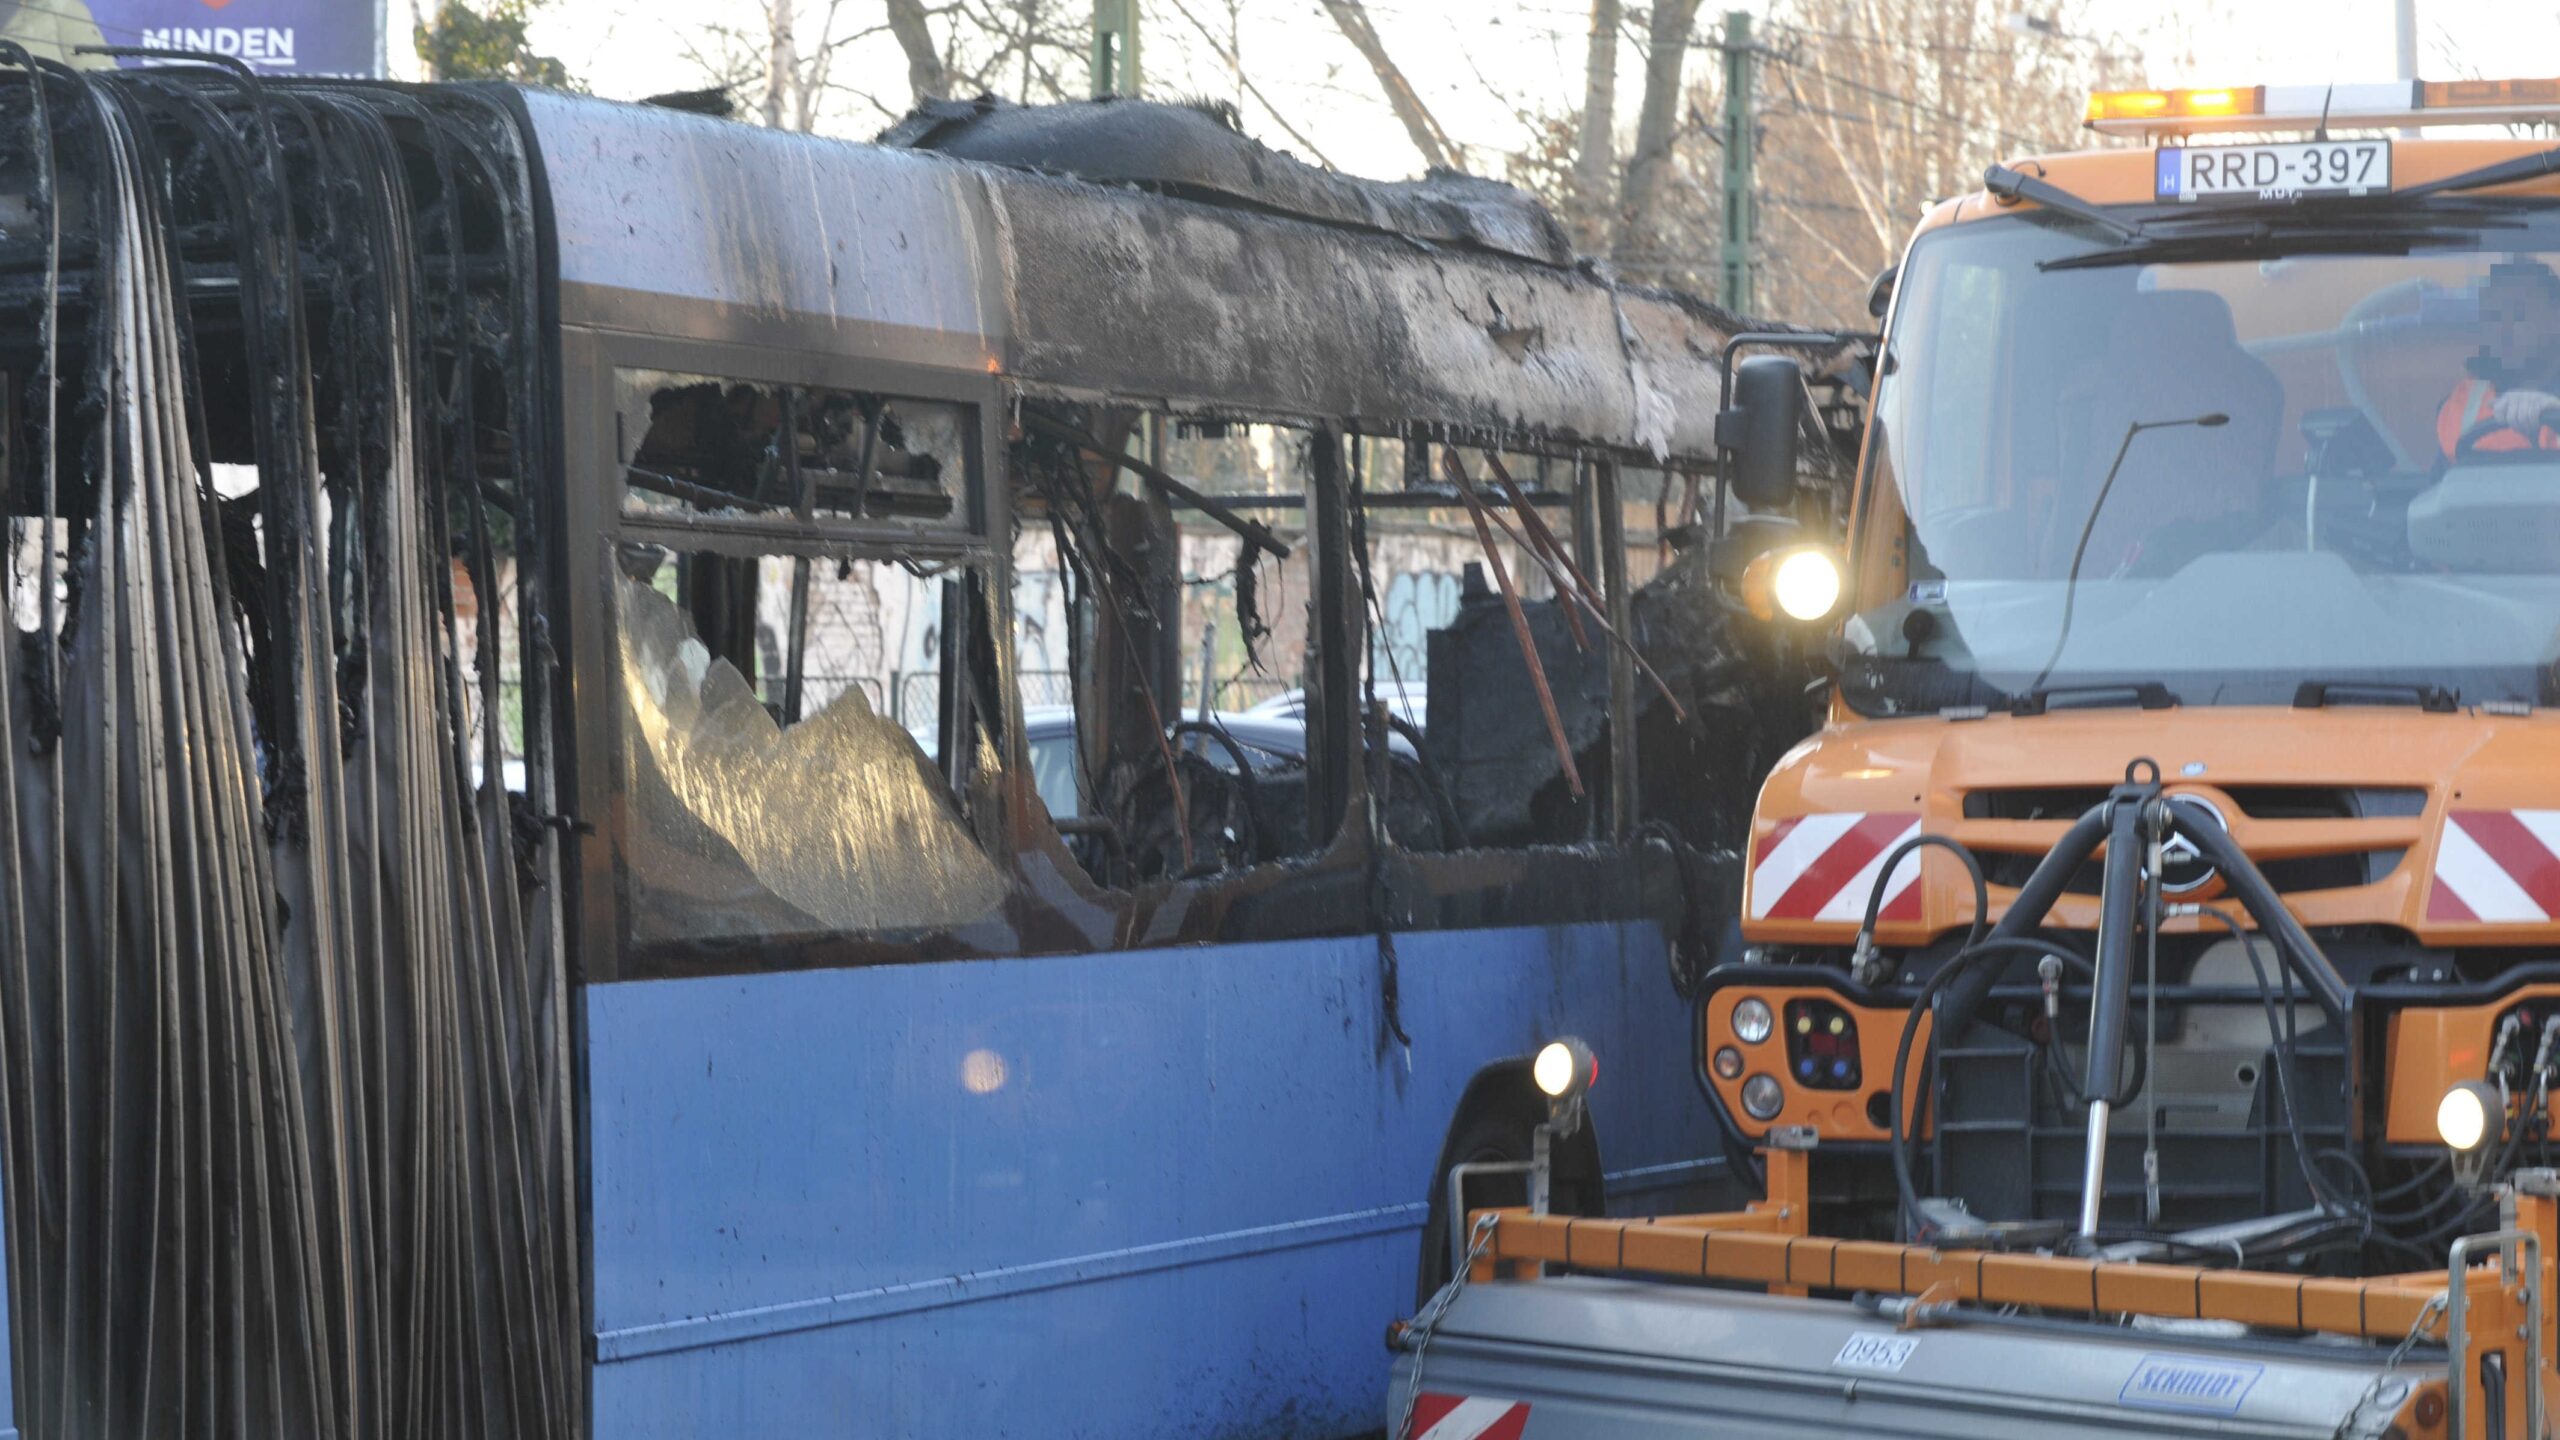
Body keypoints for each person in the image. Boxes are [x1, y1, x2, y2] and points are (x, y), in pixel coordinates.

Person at [2438, 258, 2560, 457]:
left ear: (2556, 319)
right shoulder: (2463, 403)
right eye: (2494, 317)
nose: (2503, 331)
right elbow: (2441, 484)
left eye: (2518, 315)